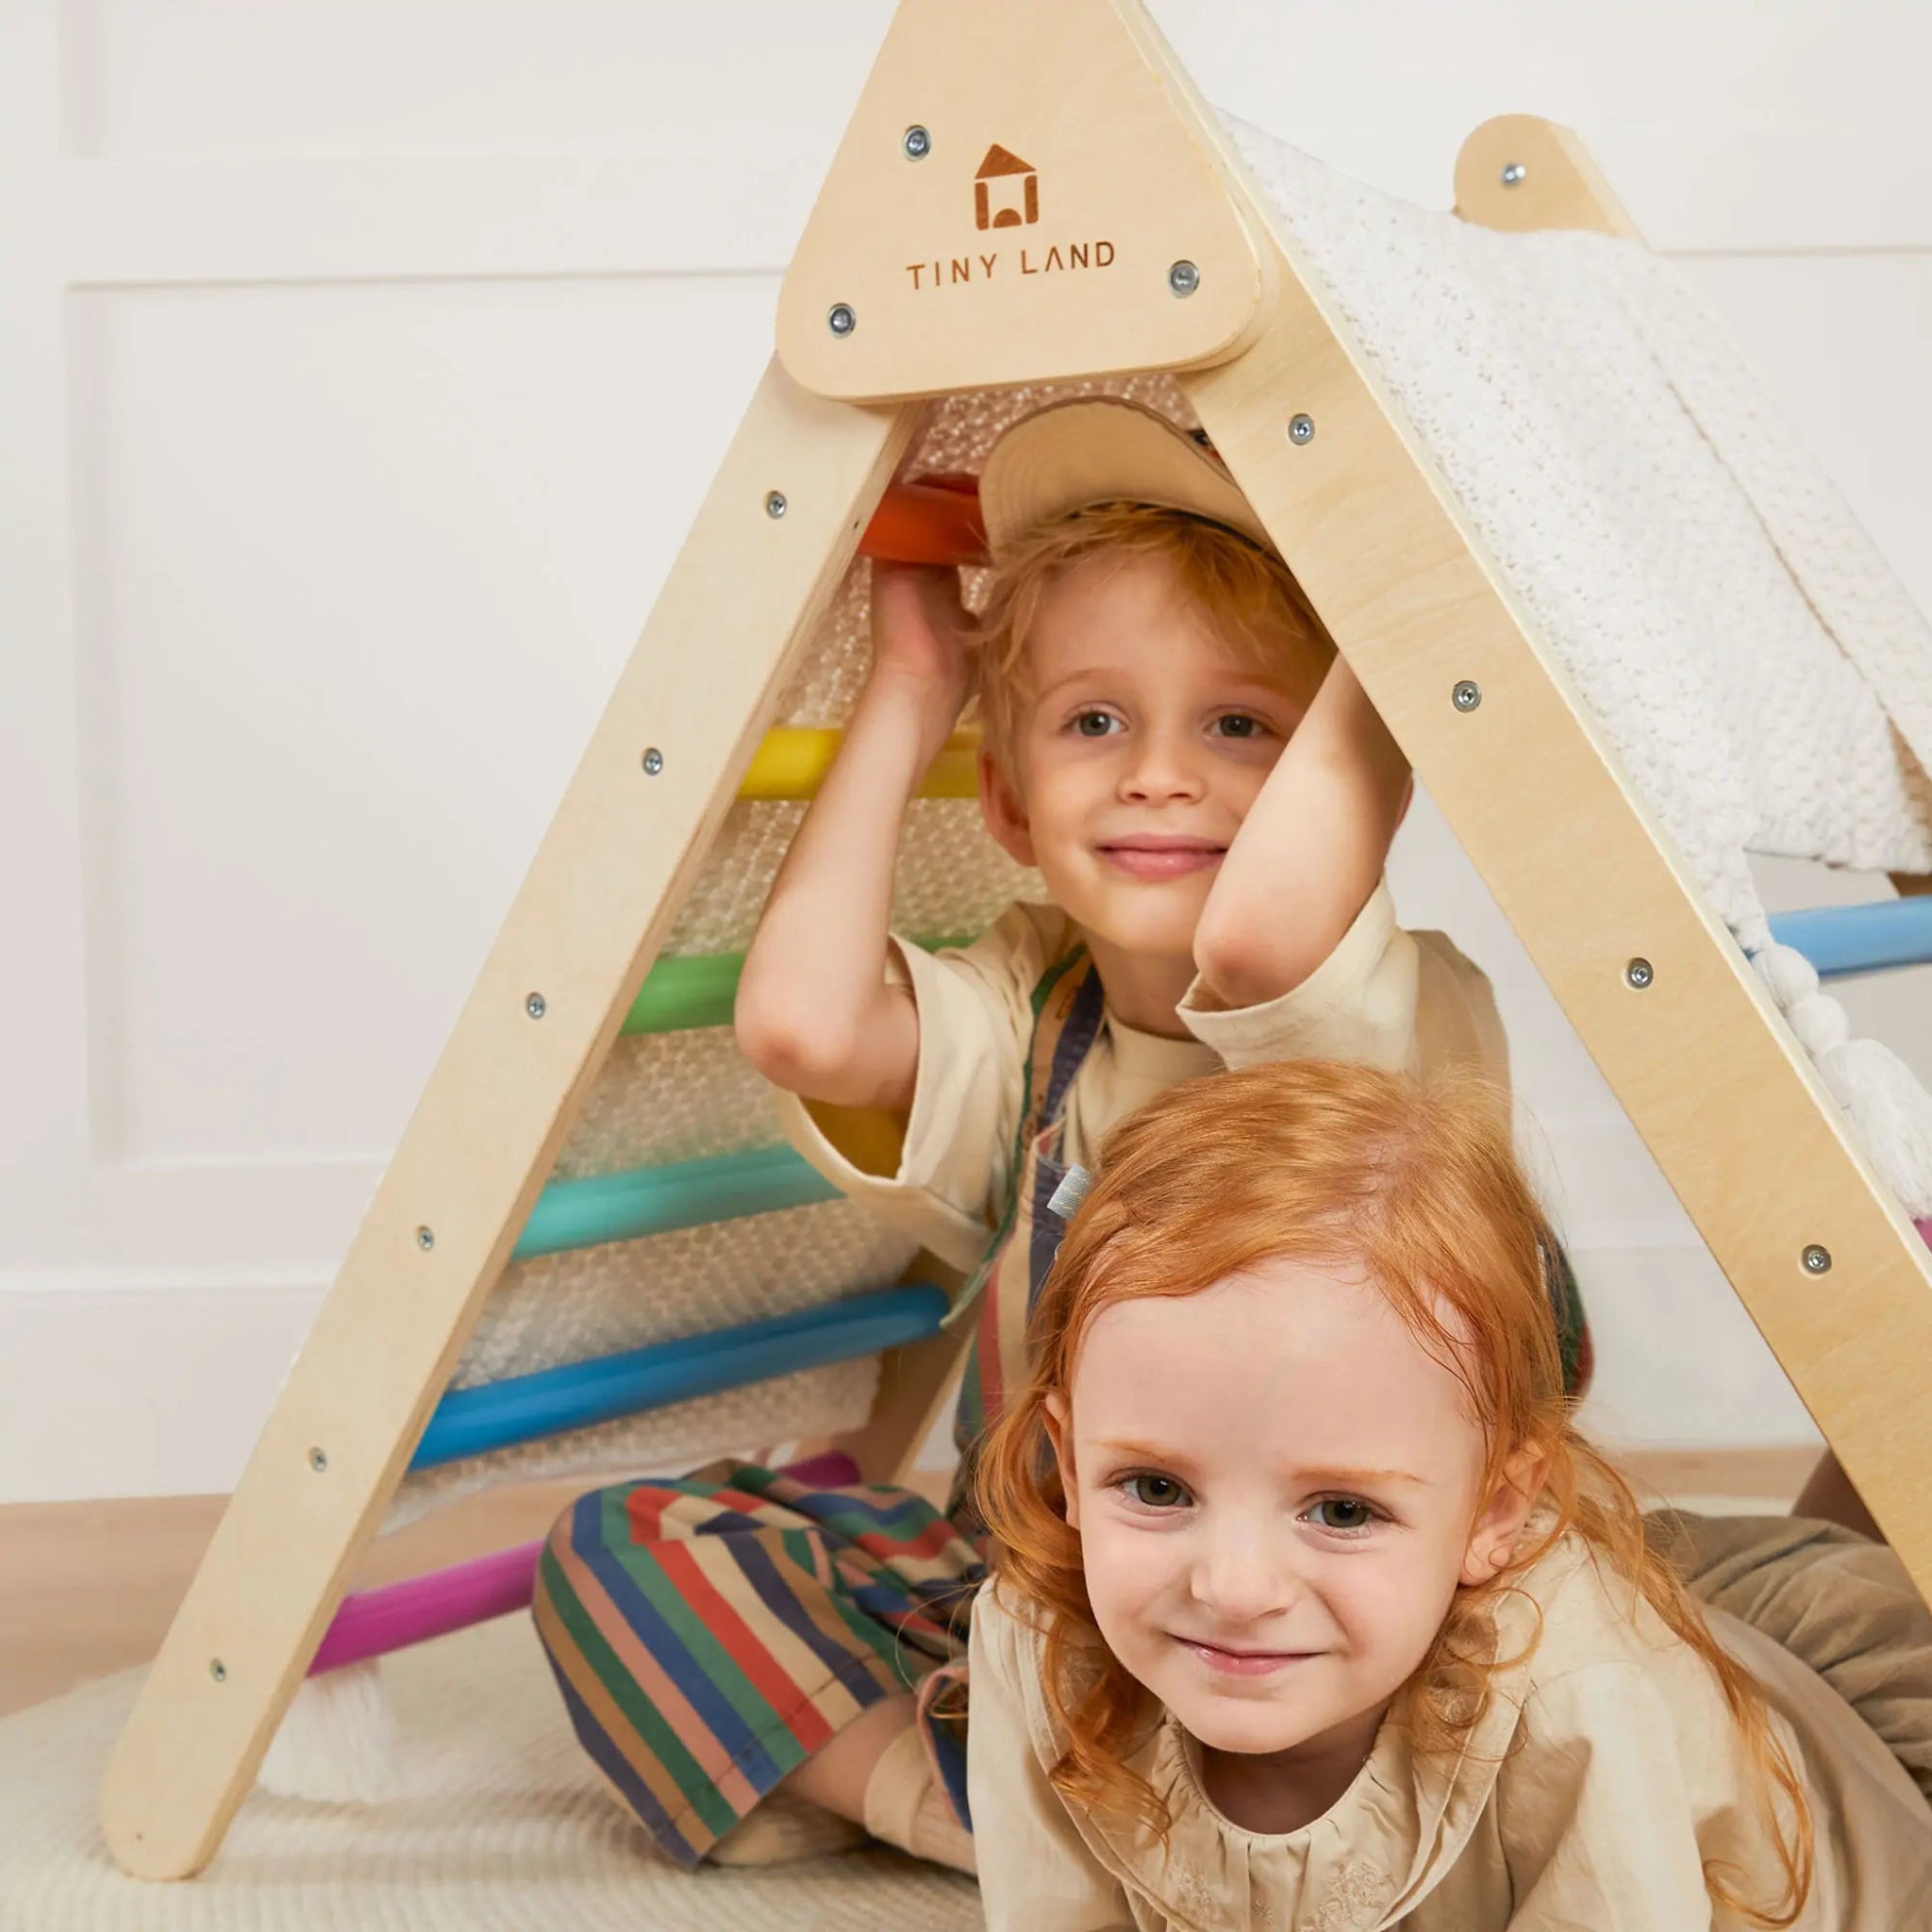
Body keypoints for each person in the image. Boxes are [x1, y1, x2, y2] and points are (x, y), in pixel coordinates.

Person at [528, 396, 1568, 1873]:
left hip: (1322, 1614)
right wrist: (912, 678)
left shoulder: (1390, 1007)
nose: (1157, 772)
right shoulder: (1033, 1009)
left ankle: (1143, 1808)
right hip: (1038, 1588)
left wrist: (1392, 612)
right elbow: (804, 1027)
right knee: (629, 1548)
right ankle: (966, 1814)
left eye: (1239, 725)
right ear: (1010, 802)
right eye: (1095, 721)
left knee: (1528, 1662)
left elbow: (1270, 935)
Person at [970, 1058, 1932, 1928]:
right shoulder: (1033, 1638)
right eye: (1152, 1485)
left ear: (1492, 1513)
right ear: (1066, 1454)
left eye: (1341, 1509)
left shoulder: (1572, 1695)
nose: (1231, 1585)